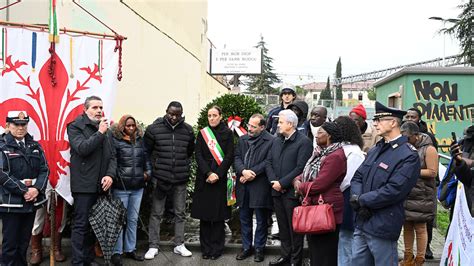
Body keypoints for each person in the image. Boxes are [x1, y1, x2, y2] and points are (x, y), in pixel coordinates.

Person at [350, 101, 421, 266]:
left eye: (379, 120)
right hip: (363, 221)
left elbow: (394, 190)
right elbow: (358, 177)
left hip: (383, 225)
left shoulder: (408, 155)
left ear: (393, 122)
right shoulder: (376, 149)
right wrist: (356, 197)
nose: (375, 123)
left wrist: (361, 200)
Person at [67, 96, 116, 265]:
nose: (99, 111)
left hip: (100, 186)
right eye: (94, 107)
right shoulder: (75, 127)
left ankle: (88, 259)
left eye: (101, 107)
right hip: (84, 185)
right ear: (85, 109)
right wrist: (100, 132)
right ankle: (78, 262)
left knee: (93, 226)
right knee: (81, 225)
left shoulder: (105, 129)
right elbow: (82, 149)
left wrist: (110, 175)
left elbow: (112, 156)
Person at [143, 101, 195, 260]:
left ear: (181, 114)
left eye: (177, 114)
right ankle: (153, 245)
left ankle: (179, 244)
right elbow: (147, 151)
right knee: (157, 213)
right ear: (166, 111)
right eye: (171, 114)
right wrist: (153, 170)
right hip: (160, 178)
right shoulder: (154, 129)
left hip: (180, 177)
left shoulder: (188, 130)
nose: (174, 117)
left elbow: (189, 151)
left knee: (180, 213)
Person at [293, 121, 347, 266]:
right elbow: (306, 172)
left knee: (326, 252)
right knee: (315, 249)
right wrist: (298, 180)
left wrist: (300, 186)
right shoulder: (319, 152)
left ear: (329, 136)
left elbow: (320, 184)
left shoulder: (335, 156)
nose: (316, 135)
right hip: (314, 205)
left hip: (327, 208)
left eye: (320, 133)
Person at [0, 111, 48, 266]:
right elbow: (2, 173)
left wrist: (36, 189)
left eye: (24, 124)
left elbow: (44, 169)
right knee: (10, 246)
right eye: (16, 124)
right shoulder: (2, 146)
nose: (20, 128)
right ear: (7, 125)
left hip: (30, 202)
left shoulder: (35, 145)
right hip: (11, 202)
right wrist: (24, 190)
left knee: (23, 245)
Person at [266, 109, 313, 266]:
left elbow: (300, 167)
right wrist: (274, 182)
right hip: (276, 190)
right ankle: (285, 256)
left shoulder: (304, 142)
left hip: (292, 193)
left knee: (295, 229)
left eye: (280, 122)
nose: (277, 125)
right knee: (283, 227)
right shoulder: (276, 140)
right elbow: (269, 162)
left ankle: (295, 260)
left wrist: (283, 183)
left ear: (291, 124)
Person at [191, 105, 234, 260]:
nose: (212, 118)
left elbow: (229, 155)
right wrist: (208, 173)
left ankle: (217, 248)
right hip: (204, 179)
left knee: (218, 217)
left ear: (221, 116)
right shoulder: (203, 134)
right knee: (205, 216)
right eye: (209, 115)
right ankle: (205, 248)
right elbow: (198, 155)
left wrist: (218, 173)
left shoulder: (228, 133)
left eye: (215, 115)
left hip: (220, 180)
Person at [110, 115, 152, 265]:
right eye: (128, 126)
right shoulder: (115, 141)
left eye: (133, 125)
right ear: (122, 127)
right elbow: (112, 161)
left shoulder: (140, 140)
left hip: (137, 188)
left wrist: (148, 174)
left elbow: (146, 159)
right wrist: (115, 177)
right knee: (119, 220)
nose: (131, 128)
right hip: (121, 188)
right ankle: (117, 252)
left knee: (133, 220)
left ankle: (130, 249)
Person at [234, 114, 274, 262]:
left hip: (260, 185)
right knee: (244, 218)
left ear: (262, 127)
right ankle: (246, 248)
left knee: (261, 220)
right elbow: (236, 157)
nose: (249, 128)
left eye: (253, 126)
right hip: (243, 185)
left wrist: (253, 173)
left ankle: (259, 249)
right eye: (249, 125)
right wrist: (243, 171)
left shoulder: (271, 140)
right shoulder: (243, 139)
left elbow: (269, 161)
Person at [399, 121, 438, 266]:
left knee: (420, 227)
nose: (405, 140)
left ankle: (420, 259)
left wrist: (410, 172)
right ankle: (408, 257)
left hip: (423, 195)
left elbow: (432, 172)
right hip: (408, 193)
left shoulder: (429, 149)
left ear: (416, 135)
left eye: (408, 138)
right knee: (407, 225)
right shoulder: (406, 147)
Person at [333, 116, 365, 266]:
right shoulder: (341, 148)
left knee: (347, 238)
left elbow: (347, 179)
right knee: (342, 238)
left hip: (347, 198)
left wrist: (330, 188)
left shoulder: (354, 151)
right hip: (339, 197)